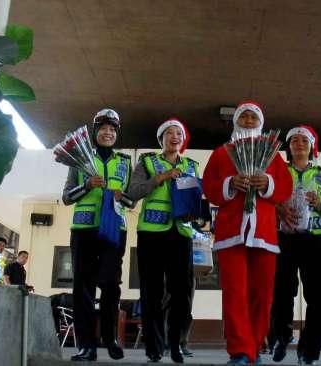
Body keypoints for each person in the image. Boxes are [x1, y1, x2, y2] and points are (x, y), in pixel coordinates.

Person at [202, 101, 293, 365]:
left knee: (263, 294)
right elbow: (210, 186)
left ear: (261, 122)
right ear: (236, 122)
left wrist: (268, 183)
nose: (249, 120)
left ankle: (253, 348)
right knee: (235, 292)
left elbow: (284, 188)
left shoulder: (273, 154)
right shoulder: (222, 153)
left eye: (254, 117)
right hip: (231, 232)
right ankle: (240, 350)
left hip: (264, 233)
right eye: (244, 117)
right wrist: (231, 183)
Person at [62, 108, 134, 362]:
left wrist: (120, 196)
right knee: (83, 287)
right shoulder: (78, 160)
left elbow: (132, 200)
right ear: (95, 133)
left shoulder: (125, 162)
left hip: (114, 228)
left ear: (117, 134)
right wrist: (87, 185)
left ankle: (110, 338)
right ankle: (86, 346)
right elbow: (66, 197)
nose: (107, 132)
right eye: (103, 128)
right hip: (84, 229)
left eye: (112, 129)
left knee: (111, 285)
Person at [127, 118, 199, 363]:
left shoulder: (191, 165)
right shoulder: (147, 162)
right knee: (152, 292)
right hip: (151, 233)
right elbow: (133, 192)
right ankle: (154, 348)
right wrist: (161, 177)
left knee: (181, 293)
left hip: (181, 234)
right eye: (169, 133)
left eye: (179, 133)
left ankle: (176, 345)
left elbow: (195, 198)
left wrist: (200, 213)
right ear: (161, 139)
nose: (175, 137)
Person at [271, 125, 321, 365]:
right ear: (288, 147)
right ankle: (281, 336)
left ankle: (309, 352)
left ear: (312, 147)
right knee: (282, 290)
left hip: (318, 238)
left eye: (304, 140)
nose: (299, 144)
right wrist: (279, 210)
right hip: (285, 237)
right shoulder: (278, 172)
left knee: (319, 296)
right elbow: (266, 200)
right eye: (294, 141)